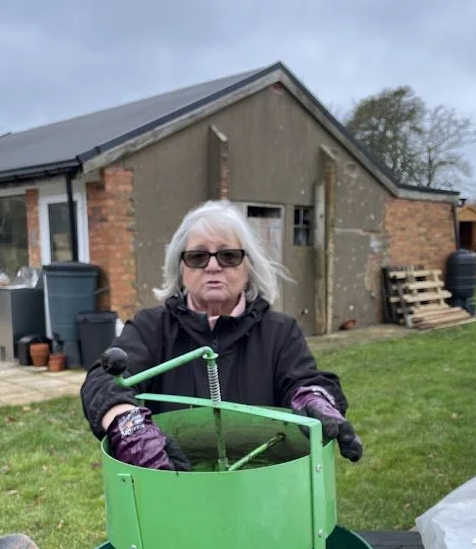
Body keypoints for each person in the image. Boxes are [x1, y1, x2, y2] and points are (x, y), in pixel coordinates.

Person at [81, 200, 363, 470]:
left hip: (260, 485)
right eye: (197, 256)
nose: (213, 266)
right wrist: (129, 428)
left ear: (248, 266)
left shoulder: (280, 332)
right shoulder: (151, 328)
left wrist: (314, 399)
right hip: (169, 482)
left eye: (228, 255)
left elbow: (304, 381)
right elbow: (103, 381)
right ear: (180, 268)